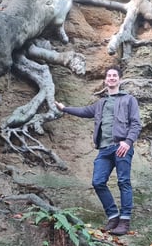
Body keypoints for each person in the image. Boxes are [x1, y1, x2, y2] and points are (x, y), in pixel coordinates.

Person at [55, 66, 142, 235]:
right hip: (104, 149)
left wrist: (128, 142)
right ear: (105, 80)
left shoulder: (128, 99)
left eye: (114, 75)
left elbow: (136, 123)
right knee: (98, 181)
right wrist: (64, 108)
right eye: (108, 75)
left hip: (121, 147)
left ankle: (124, 220)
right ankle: (113, 216)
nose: (111, 78)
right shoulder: (101, 103)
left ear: (120, 80)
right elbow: (84, 111)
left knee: (123, 182)